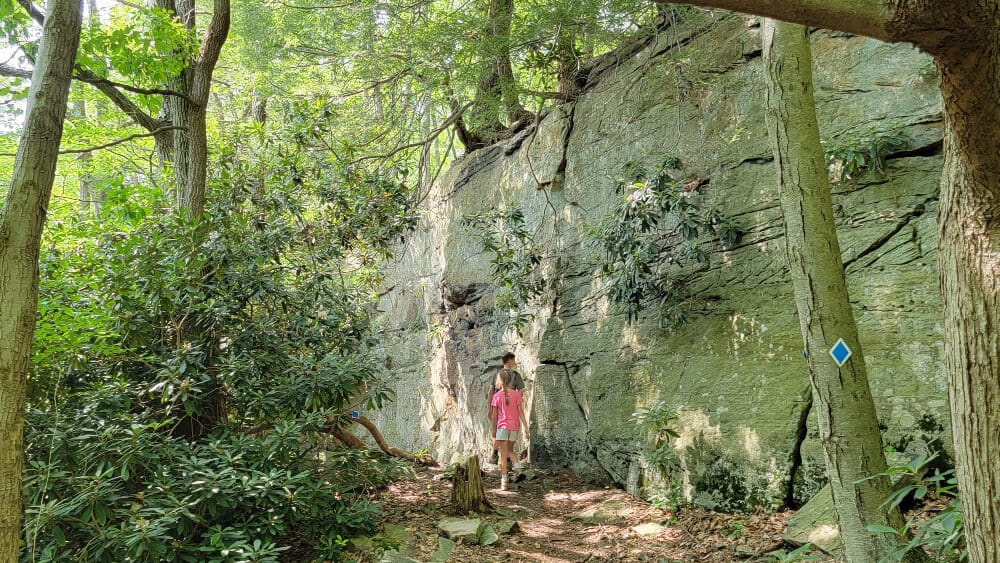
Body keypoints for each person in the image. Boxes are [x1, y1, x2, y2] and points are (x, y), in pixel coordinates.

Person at [490, 368, 529, 491]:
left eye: (497, 378)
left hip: (502, 427)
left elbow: (495, 416)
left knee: (503, 455)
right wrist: (526, 429)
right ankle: (518, 469)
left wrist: (493, 431)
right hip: (514, 427)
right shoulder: (517, 394)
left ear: (501, 381)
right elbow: (521, 413)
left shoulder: (496, 396)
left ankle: (504, 482)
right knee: (511, 450)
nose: (496, 380)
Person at [487, 352, 525, 465]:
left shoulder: (497, 374)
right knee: (508, 432)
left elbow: (490, 392)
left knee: (496, 430)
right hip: (509, 407)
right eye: (513, 360)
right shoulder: (516, 375)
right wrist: (514, 400)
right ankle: (507, 460)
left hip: (497, 405)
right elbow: (521, 392)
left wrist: (489, 409)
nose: (515, 362)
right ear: (509, 361)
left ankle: (494, 454)